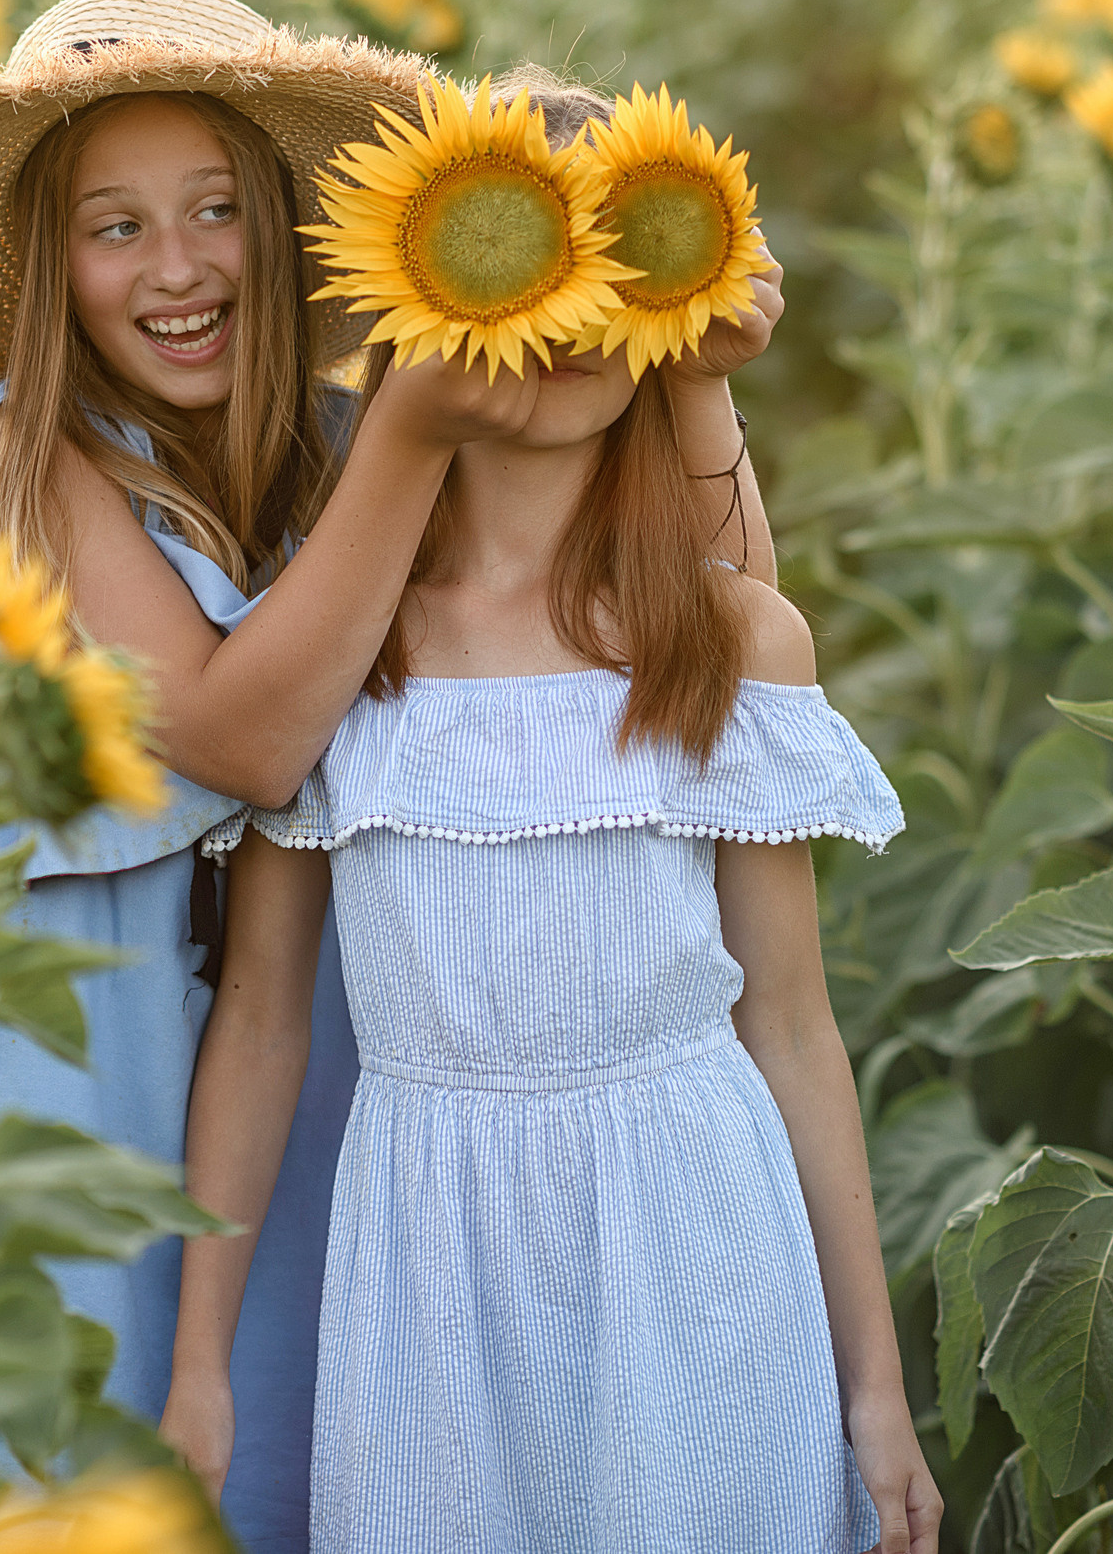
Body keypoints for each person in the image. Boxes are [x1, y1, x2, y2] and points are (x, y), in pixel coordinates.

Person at [0, 0, 780, 1547]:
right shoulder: (14, 465)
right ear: (48, 268)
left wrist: (693, 369)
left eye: (217, 209)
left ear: (291, 231)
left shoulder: (324, 452)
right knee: (17, 1483)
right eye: (115, 227)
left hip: (268, 1116)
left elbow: (709, 632)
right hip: (37, 1110)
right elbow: (243, 736)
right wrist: (413, 439)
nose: (176, 266)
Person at [161, 90, 941, 1553]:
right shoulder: (334, 659)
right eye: (532, 255)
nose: (575, 310)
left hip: (701, 1250)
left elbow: (791, 1025)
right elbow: (261, 1022)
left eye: (619, 263)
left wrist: (877, 1392)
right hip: (428, 1280)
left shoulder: (729, 641)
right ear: (436, 283)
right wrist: (200, 1361)